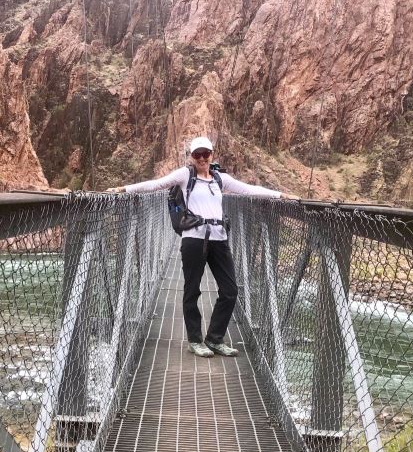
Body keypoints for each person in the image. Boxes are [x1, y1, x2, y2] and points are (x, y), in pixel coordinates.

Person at [106, 136, 296, 358]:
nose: (202, 158)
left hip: (219, 239)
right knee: (192, 289)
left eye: (206, 154)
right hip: (194, 239)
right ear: (192, 157)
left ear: (212, 154)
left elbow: (247, 189)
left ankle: (215, 338)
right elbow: (156, 184)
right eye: (197, 154)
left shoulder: (219, 178)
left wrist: (281, 195)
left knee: (230, 290)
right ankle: (195, 340)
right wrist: (124, 189)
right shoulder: (185, 175)